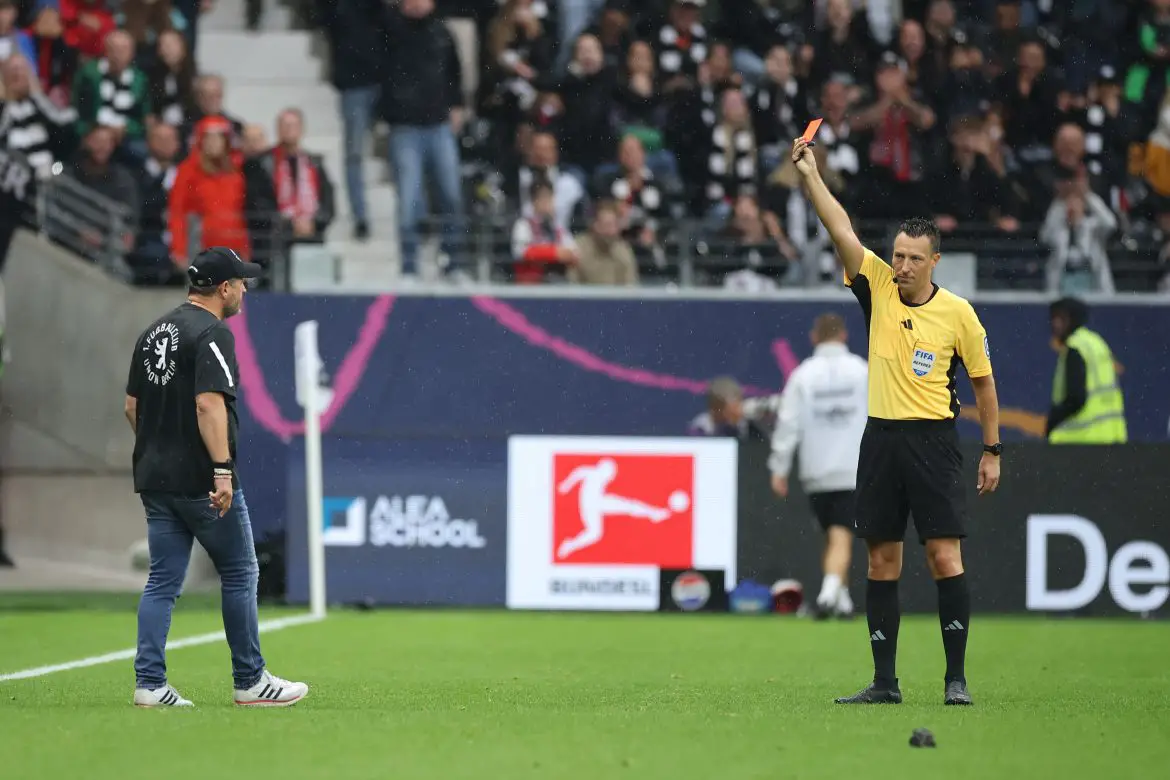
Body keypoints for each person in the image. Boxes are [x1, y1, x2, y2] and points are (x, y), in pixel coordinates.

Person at [791, 136, 1002, 707]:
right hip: (880, 439)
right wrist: (811, 177)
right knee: (881, 559)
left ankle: (955, 680)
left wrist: (992, 449)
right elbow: (840, 228)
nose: (903, 265)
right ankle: (885, 683)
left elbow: (982, 383)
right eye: (899, 255)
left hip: (933, 442)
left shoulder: (959, 313)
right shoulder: (878, 286)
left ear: (935, 261)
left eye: (915, 258)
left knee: (943, 557)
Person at [124, 247, 308, 708]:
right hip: (202, 481)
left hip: (154, 476)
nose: (245, 288)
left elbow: (132, 407)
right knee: (241, 572)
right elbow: (209, 404)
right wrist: (221, 471)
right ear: (224, 288)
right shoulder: (212, 333)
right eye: (241, 281)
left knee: (162, 581)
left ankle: (149, 684)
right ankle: (250, 679)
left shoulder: (153, 331)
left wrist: (161, 448)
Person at [769, 312, 868, 619]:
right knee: (840, 536)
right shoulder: (862, 371)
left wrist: (779, 467)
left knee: (834, 535)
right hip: (853, 467)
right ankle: (833, 596)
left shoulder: (802, 374)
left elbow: (788, 423)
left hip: (816, 470)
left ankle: (837, 599)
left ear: (814, 338)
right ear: (844, 336)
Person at [1046, 297, 1127, 444]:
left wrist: (1052, 422)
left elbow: (1076, 398)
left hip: (1083, 438)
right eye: (1053, 318)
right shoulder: (1097, 343)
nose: (1055, 324)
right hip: (1111, 436)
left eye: (1060, 318)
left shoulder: (1075, 347)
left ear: (1072, 319)